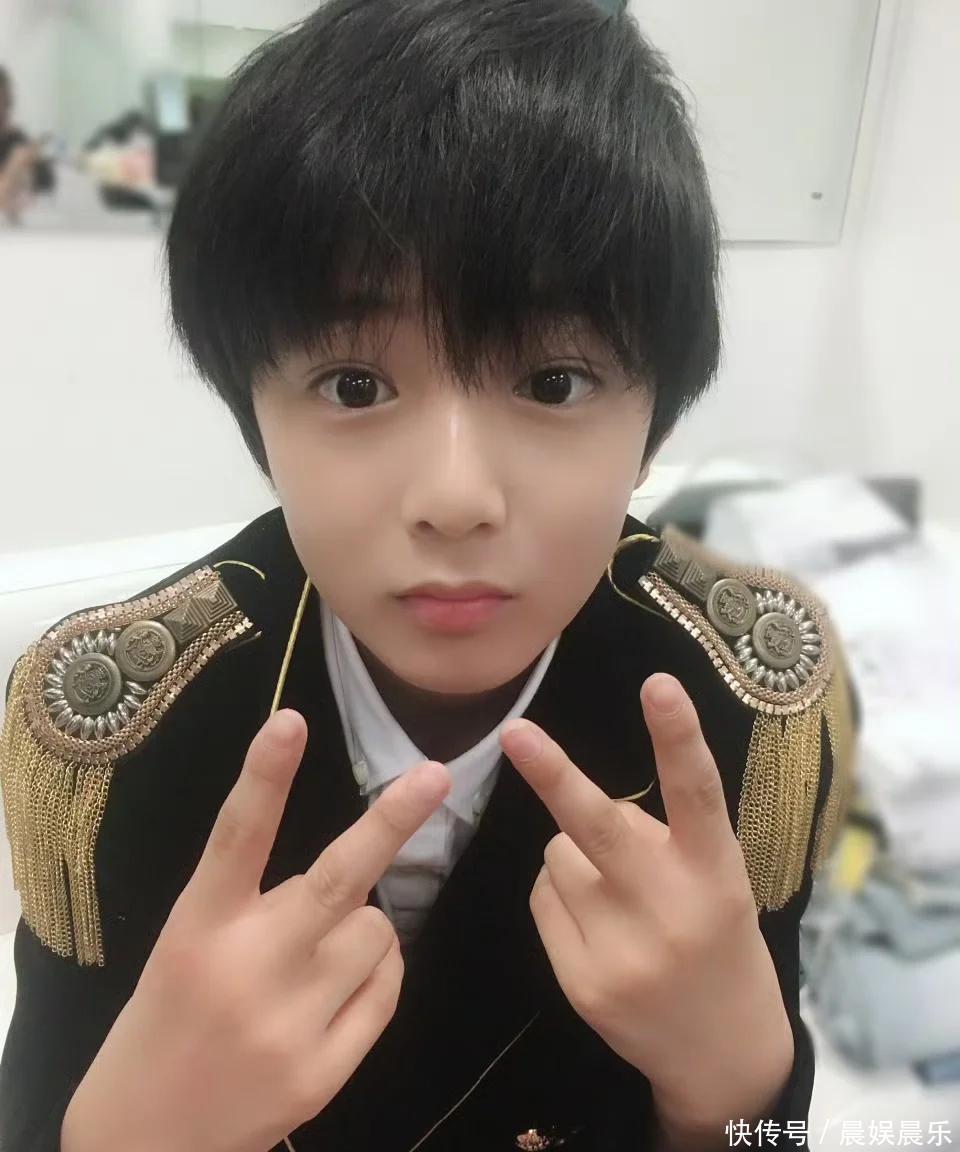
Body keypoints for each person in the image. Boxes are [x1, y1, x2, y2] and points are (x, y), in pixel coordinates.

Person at [0, 2, 861, 1150]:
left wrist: (736, 1087)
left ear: (654, 420)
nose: (455, 498)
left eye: (554, 382)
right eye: (355, 386)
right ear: (257, 416)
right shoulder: (120, 731)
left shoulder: (745, 709)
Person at [0, 66, 53, 223]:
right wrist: (13, 170)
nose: (4, 110)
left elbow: (46, 185)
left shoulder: (19, 141)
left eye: (7, 102)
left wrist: (28, 175)